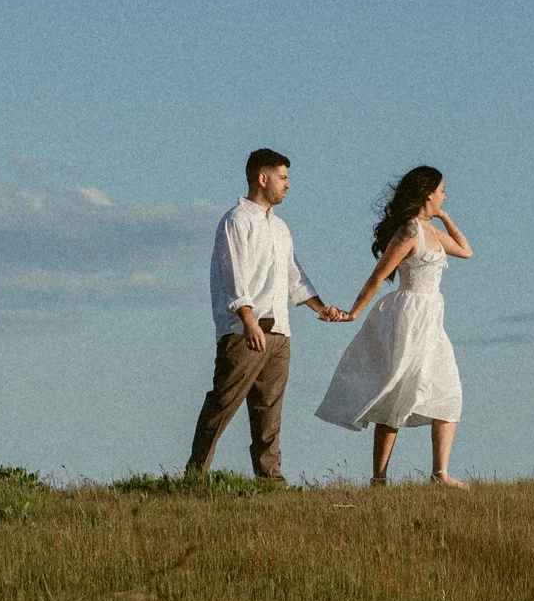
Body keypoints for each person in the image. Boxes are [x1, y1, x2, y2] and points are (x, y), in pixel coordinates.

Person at [187, 149, 351, 480]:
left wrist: (321, 308)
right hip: (244, 330)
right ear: (263, 179)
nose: (288, 185)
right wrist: (248, 321)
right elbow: (234, 276)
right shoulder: (236, 221)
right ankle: (194, 475)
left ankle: (271, 481)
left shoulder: (280, 228)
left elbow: (293, 275)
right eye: (283, 177)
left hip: (280, 332)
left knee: (269, 413)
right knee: (223, 403)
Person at [314, 165, 472, 487]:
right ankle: (379, 478)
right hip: (408, 317)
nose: (445, 195)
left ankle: (439, 473)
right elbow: (377, 276)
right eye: (442, 191)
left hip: (433, 320)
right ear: (429, 194)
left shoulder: (433, 231)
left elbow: (466, 251)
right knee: (397, 394)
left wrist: (443, 217)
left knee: (448, 392)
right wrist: (353, 313)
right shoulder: (410, 231)